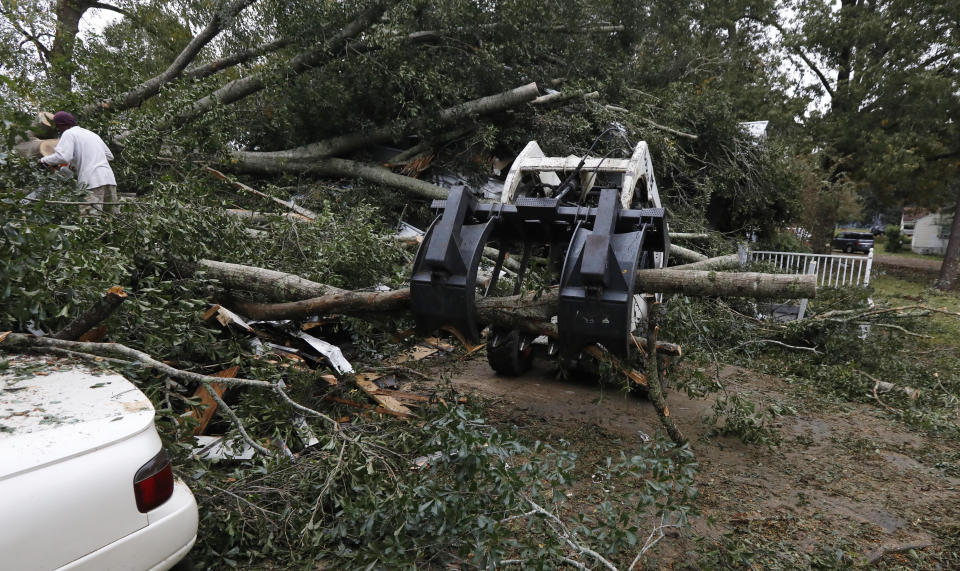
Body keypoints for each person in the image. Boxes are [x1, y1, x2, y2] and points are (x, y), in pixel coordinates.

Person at [39, 111, 117, 212]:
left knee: (90, 221)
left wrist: (43, 160)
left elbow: (63, 156)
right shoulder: (92, 134)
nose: (58, 129)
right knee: (111, 219)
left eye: (58, 126)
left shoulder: (69, 133)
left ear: (63, 125)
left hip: (91, 183)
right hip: (109, 180)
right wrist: (76, 162)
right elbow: (110, 156)